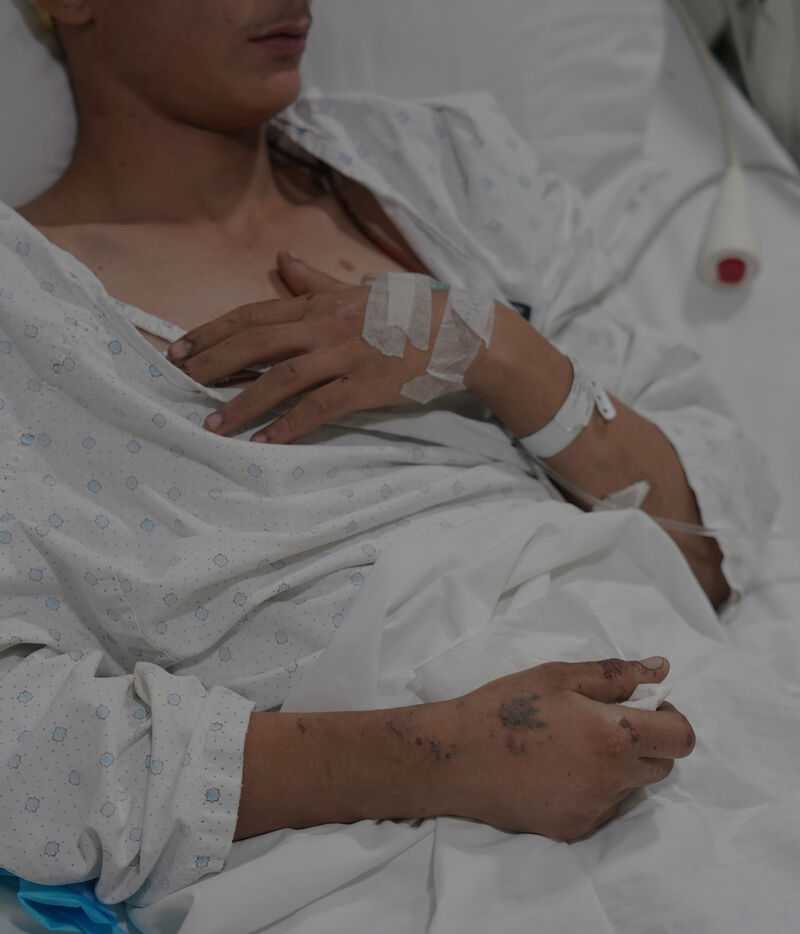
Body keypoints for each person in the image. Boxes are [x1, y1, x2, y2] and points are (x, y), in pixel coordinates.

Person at [0, 0, 774, 908]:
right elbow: (23, 745)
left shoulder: (447, 170)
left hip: (688, 697)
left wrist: (495, 350)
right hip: (376, 822)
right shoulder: (20, 318)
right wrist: (431, 757)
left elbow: (709, 548)